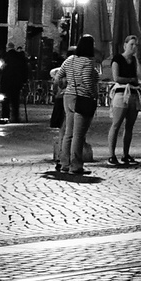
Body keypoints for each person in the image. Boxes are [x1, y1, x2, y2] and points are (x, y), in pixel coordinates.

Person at [57, 35, 101, 177]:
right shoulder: (88, 62)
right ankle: (76, 165)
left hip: (68, 96)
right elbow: (88, 81)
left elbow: (58, 76)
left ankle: (64, 163)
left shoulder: (70, 60)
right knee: (79, 134)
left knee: (68, 133)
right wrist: (94, 95)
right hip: (82, 98)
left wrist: (64, 85)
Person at [106, 35, 141, 166]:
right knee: (116, 124)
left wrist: (136, 60)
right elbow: (116, 77)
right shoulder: (117, 59)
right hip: (121, 94)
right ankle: (111, 155)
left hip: (133, 94)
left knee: (129, 126)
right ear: (125, 45)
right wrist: (130, 80)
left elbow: (139, 76)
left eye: (135, 45)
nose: (134, 47)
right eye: (131, 44)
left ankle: (125, 154)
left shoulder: (133, 60)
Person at [0, 39, 30, 123]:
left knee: (5, 99)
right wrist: (24, 81)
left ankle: (5, 116)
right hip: (17, 82)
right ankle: (15, 117)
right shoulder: (20, 57)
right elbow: (25, 70)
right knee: (15, 100)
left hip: (6, 81)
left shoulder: (4, 56)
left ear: (7, 48)